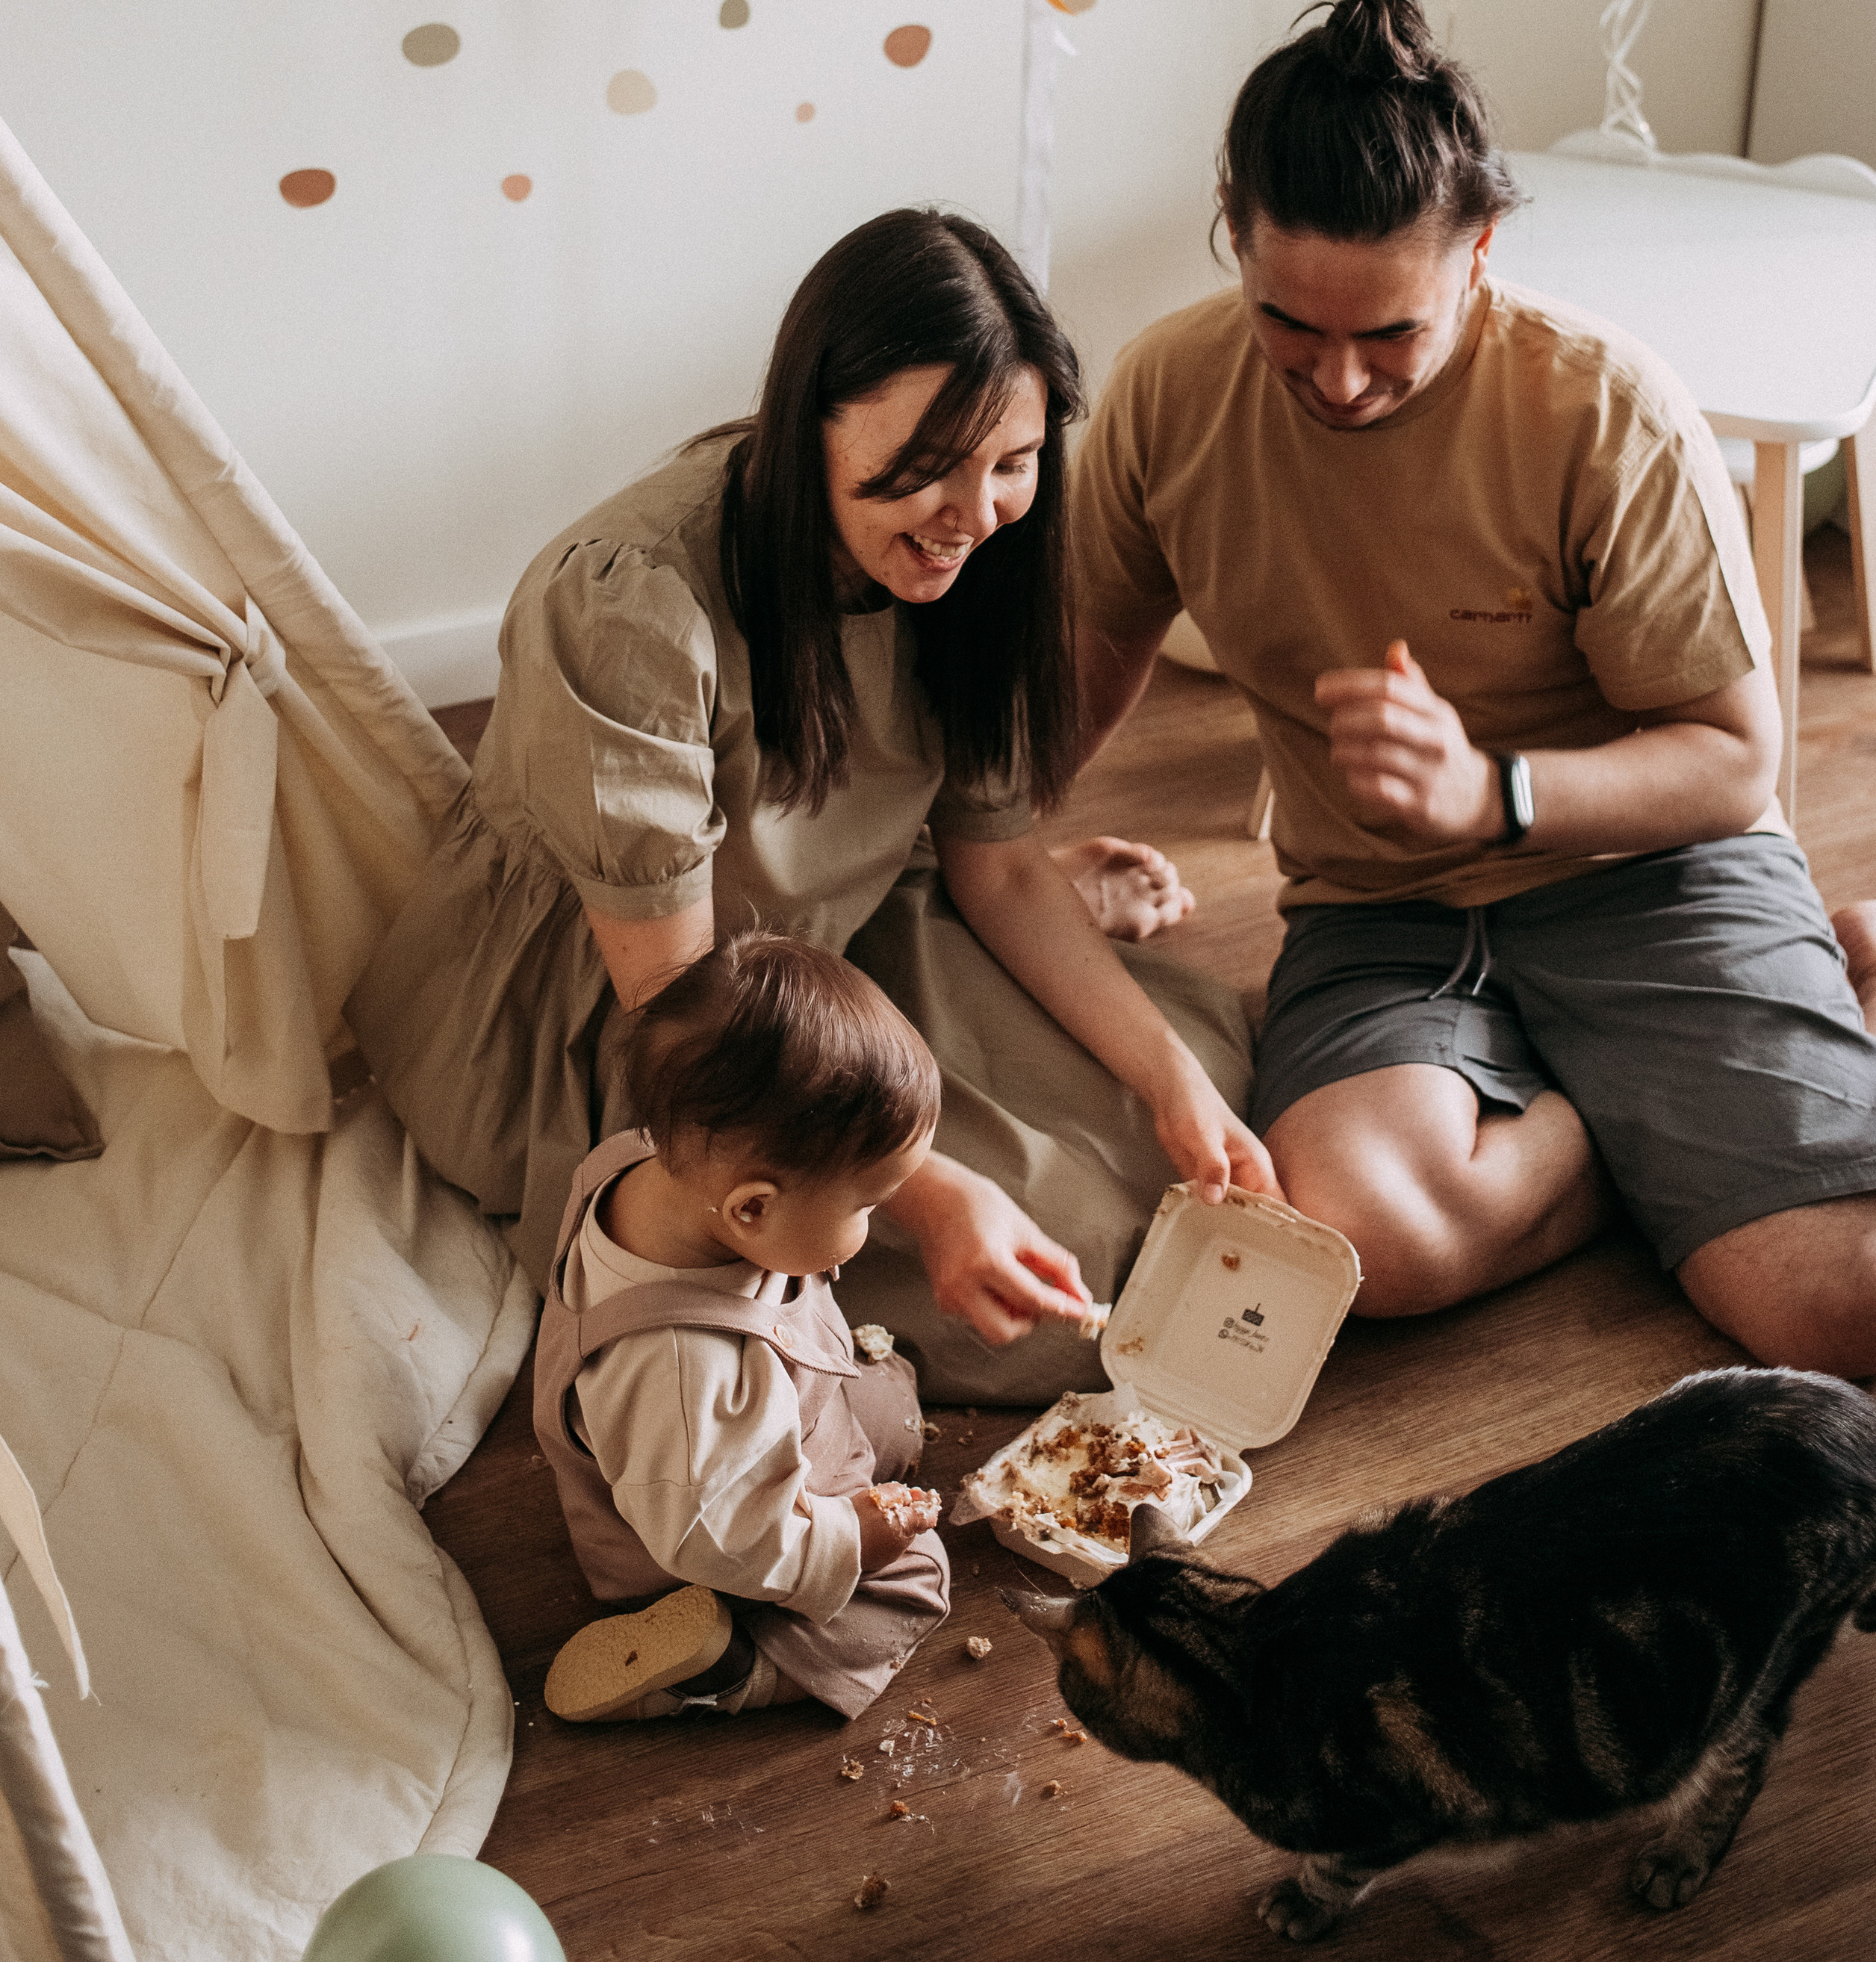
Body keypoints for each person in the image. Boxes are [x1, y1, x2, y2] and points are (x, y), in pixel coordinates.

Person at [1071, 0, 1876, 1379]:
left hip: (1646, 867)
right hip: (1378, 906)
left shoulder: (1604, 407)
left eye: (1389, 334)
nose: (1340, 381)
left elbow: (1732, 763)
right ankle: (1654, 1123)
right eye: (1292, 325)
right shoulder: (1167, 395)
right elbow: (1078, 673)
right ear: (1235, 232)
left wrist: (1492, 792)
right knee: (1359, 1248)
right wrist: (957, 857)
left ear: (1480, 252)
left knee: (1852, 1305)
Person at [349, 207, 1269, 1404]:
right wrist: (924, 1192)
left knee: (1197, 1087)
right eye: (927, 465)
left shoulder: (982, 558)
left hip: (829, 921)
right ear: (811, 418)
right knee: (1064, 1278)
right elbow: (677, 1001)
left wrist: (1168, 1080)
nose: (972, 512)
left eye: (1011, 462)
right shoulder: (633, 603)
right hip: (653, 1014)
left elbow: (997, 862)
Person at [534, 933, 947, 1726]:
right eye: (865, 1204)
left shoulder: (653, 1165)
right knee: (914, 1579)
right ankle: (726, 1667)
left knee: (891, 1405)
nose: (876, 1221)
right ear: (753, 1208)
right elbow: (714, 1535)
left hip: (740, 1438)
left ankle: (842, 1472)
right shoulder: (685, 1374)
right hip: (699, 1540)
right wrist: (843, 1542)